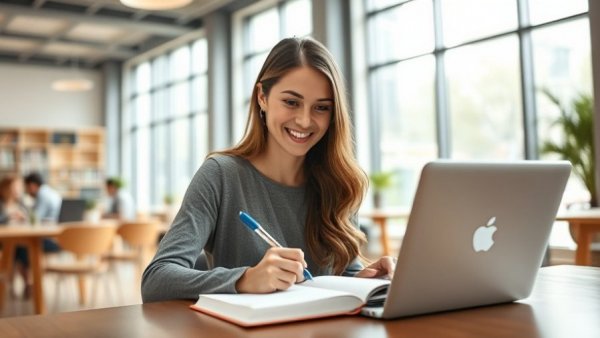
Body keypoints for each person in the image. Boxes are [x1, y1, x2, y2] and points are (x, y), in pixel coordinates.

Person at [142, 37, 395, 302]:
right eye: (291, 102)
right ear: (262, 97)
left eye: (321, 108)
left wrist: (366, 281)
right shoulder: (221, 175)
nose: (305, 120)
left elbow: (339, 272)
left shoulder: (338, 182)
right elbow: (157, 279)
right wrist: (245, 279)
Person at [15, 172, 62, 298]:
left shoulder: (42, 194)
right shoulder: (52, 192)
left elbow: (34, 219)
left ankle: (29, 283)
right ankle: (30, 283)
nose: (26, 191)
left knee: (19, 249)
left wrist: (22, 214)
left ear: (32, 185)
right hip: (61, 240)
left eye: (26, 187)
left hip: (49, 240)